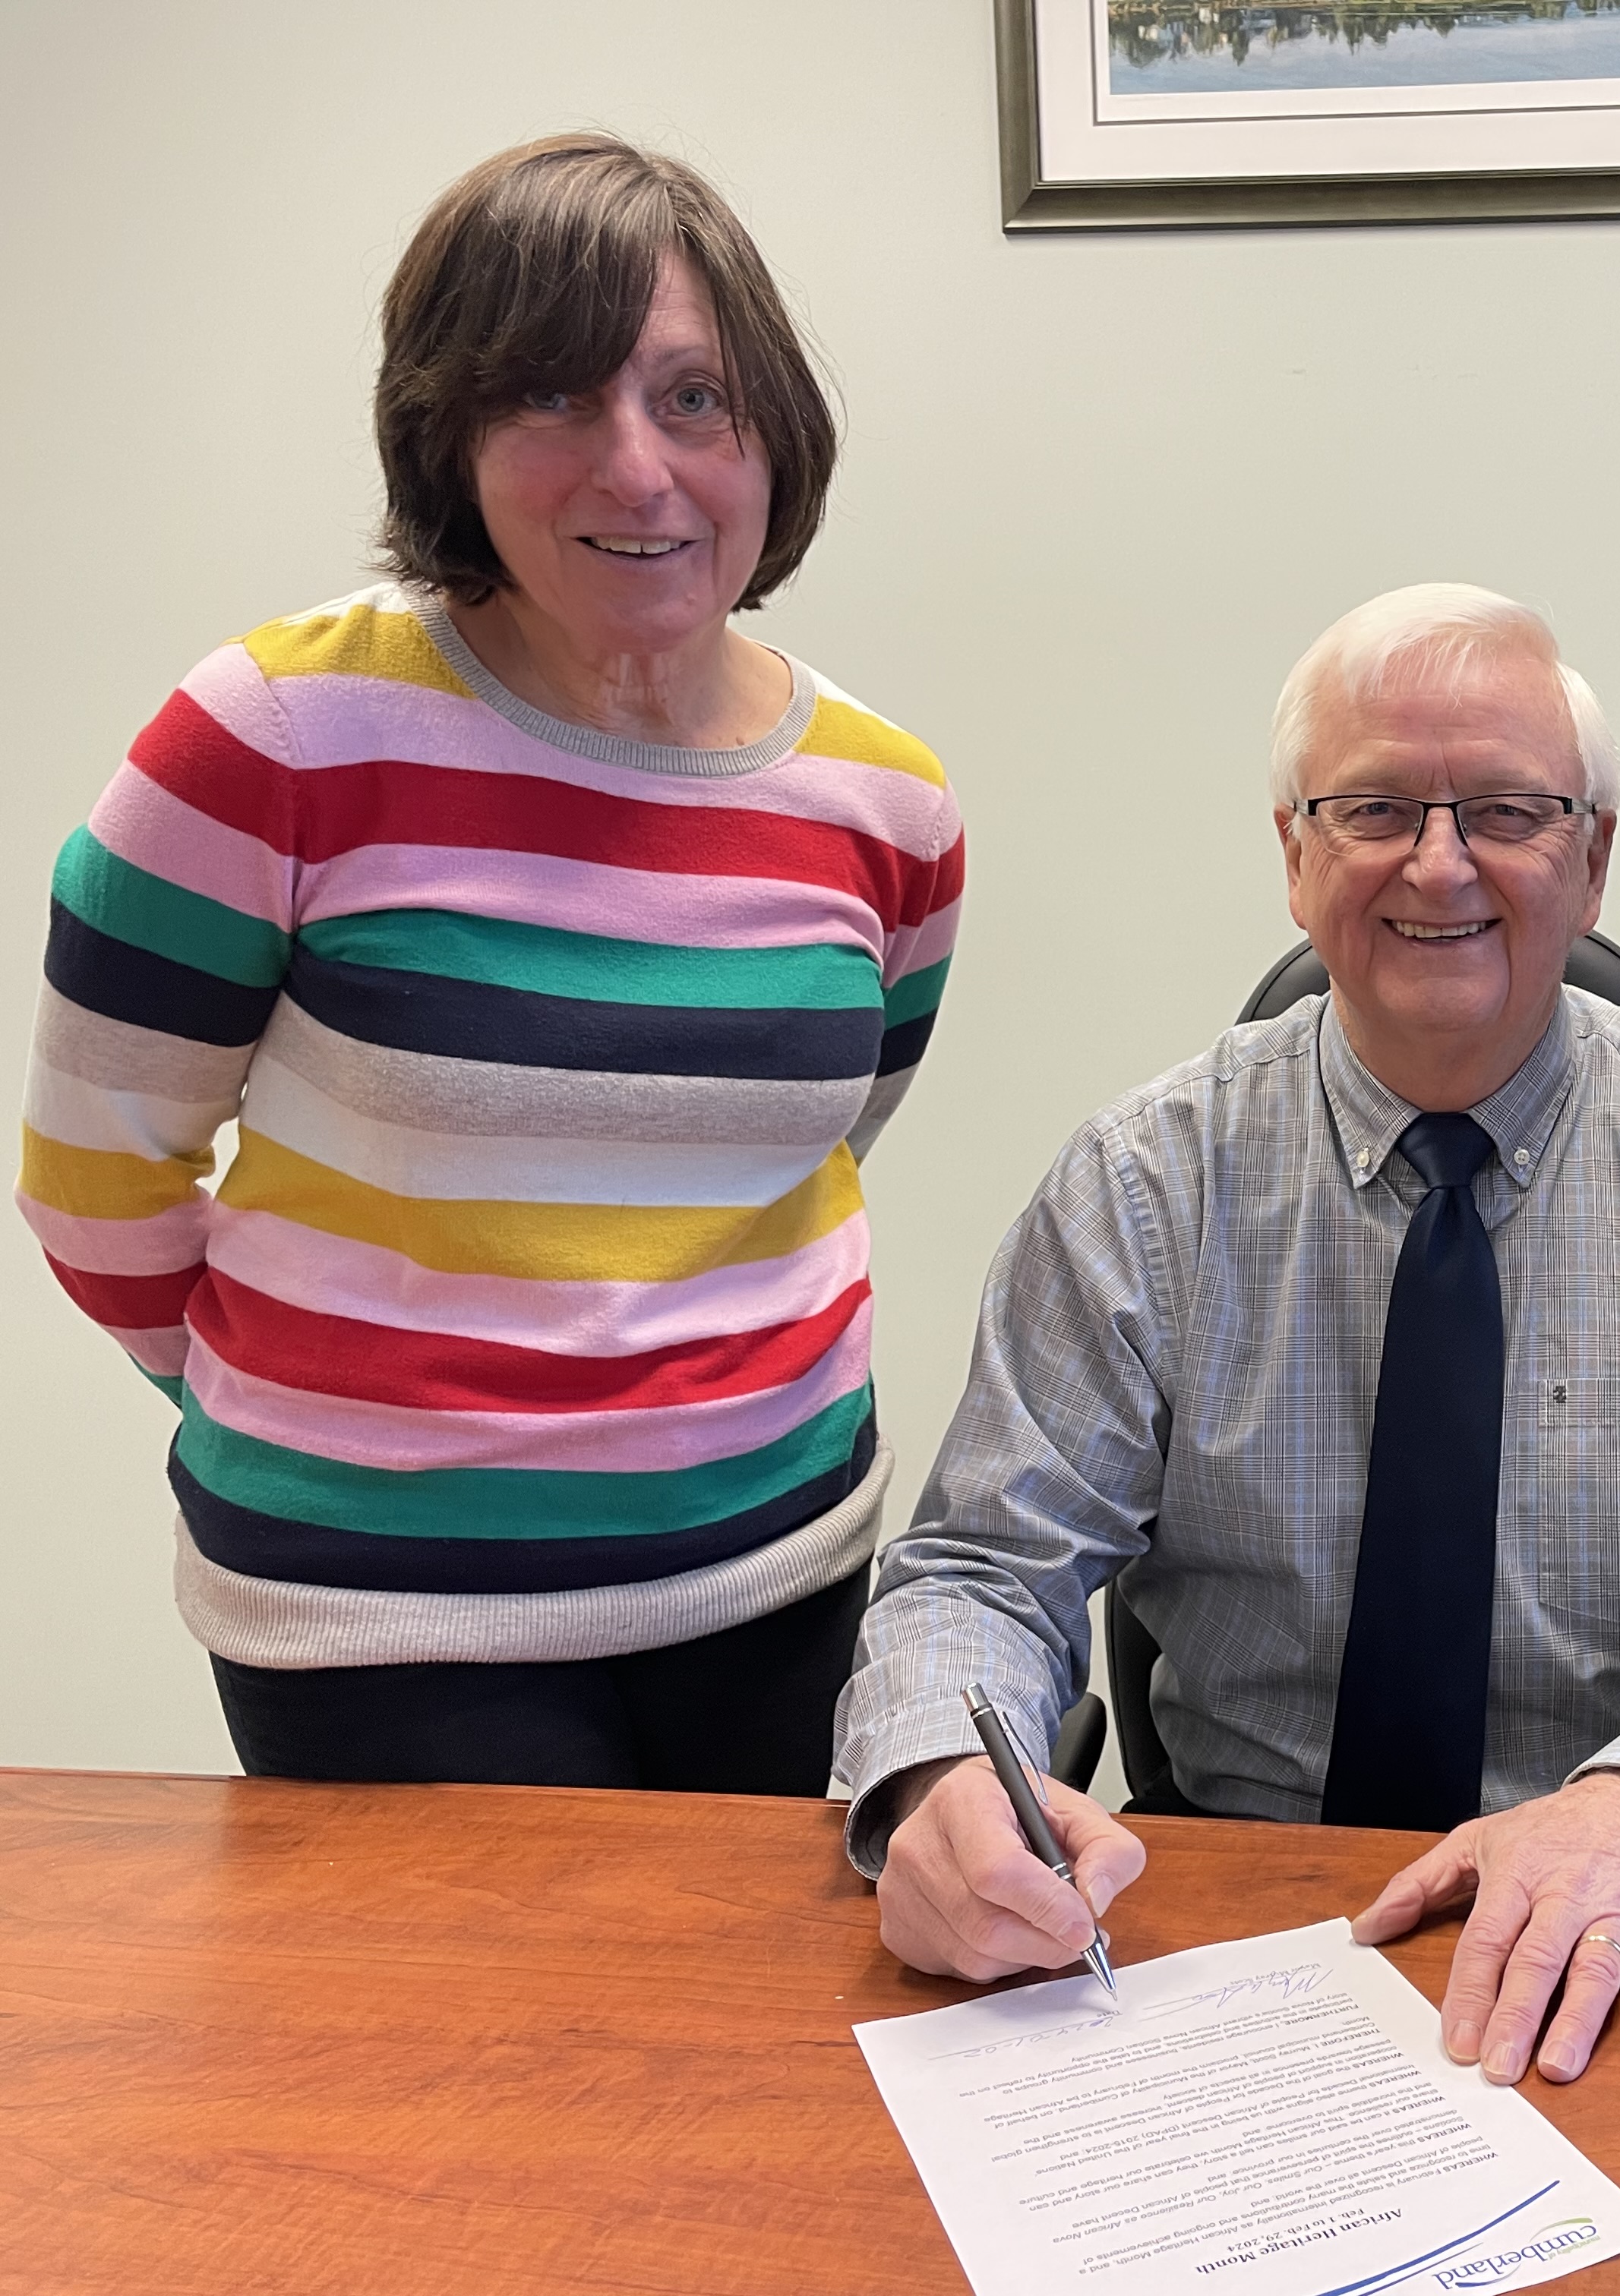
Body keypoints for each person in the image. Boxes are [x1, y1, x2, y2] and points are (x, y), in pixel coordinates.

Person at [838, 582, 1620, 2089]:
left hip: (1617, 1915)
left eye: (1506, 807)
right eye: (1374, 808)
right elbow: (980, 1568)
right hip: (1225, 1938)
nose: (1440, 862)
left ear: (1594, 856)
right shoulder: (1148, 1184)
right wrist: (940, 1777)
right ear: (1293, 854)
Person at [16, 135, 962, 1793]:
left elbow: (808, 1142)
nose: (637, 469)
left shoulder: (886, 800)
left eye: (692, 398)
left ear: (774, 437)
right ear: (448, 433)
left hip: (783, 1579)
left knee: (755, 2053)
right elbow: (98, 1183)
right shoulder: (273, 739)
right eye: (553, 400)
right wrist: (321, 1410)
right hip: (382, 1627)